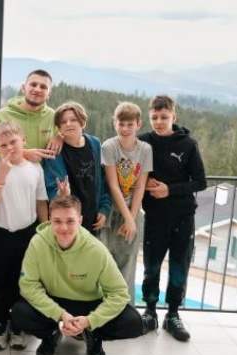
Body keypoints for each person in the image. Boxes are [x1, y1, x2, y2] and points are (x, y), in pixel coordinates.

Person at [11, 196, 151, 355]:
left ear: (80, 220)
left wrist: (90, 321)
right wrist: (59, 314)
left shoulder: (96, 250)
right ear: (50, 220)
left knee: (133, 322)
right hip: (54, 301)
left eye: (70, 221)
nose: (64, 228)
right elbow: (28, 286)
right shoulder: (38, 243)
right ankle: (51, 334)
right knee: (19, 313)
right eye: (57, 221)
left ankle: (92, 334)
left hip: (88, 304)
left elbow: (119, 293)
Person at [139, 95, 206, 342]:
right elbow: (130, 168)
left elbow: (200, 182)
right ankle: (150, 311)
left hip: (183, 216)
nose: (158, 122)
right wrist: (144, 180)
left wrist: (169, 189)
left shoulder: (188, 144)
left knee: (179, 266)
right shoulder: (143, 141)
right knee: (151, 266)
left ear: (173, 117)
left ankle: (173, 315)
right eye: (154, 117)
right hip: (155, 216)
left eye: (164, 117)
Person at [0, 121, 48, 351]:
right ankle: (0, 325)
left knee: (23, 282)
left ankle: (18, 326)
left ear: (24, 141)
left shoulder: (35, 169)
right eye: (4, 145)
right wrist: (2, 175)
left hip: (27, 233)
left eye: (13, 142)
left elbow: (41, 201)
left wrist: (45, 230)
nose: (9, 148)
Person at [99, 102, 152, 305]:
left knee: (128, 263)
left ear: (139, 125)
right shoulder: (109, 146)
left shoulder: (145, 149)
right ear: (115, 124)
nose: (125, 128)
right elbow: (113, 186)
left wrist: (131, 218)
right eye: (121, 124)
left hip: (132, 211)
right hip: (110, 211)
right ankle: (101, 307)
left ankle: (125, 308)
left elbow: (140, 186)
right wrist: (128, 218)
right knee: (103, 260)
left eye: (130, 124)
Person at [43, 101, 111, 234]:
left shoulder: (95, 144)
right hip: (68, 222)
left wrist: (104, 208)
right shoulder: (54, 151)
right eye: (63, 122)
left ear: (82, 122)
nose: (68, 124)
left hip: (93, 219)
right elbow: (51, 187)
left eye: (73, 120)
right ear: (58, 127)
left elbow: (102, 180)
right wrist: (61, 195)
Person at [0, 69, 60, 163]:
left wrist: (60, 137)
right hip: (10, 172)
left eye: (43, 87)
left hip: (42, 173)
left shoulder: (53, 116)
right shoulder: (2, 115)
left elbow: (71, 135)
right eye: (33, 85)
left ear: (49, 94)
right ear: (23, 88)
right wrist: (23, 154)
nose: (37, 89)